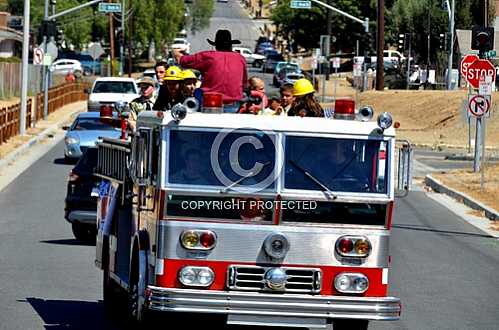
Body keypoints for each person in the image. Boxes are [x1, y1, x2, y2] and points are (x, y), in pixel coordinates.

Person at [173, 29, 248, 113]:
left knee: (197, 92)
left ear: (216, 45)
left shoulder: (208, 56)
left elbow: (181, 60)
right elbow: (244, 84)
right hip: (234, 105)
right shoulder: (240, 58)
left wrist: (176, 51)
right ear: (231, 45)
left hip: (210, 103)